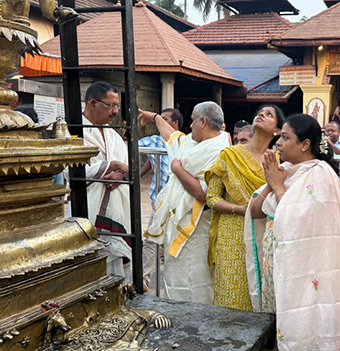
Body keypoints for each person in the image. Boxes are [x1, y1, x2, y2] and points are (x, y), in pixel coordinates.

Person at [245, 114, 340, 351]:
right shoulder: (285, 170)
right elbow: (255, 212)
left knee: (301, 325)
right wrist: (271, 182)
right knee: (279, 326)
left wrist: (277, 187)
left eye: (285, 138)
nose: (278, 143)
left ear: (305, 144)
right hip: (279, 268)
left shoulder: (320, 174)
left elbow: (299, 225)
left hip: (305, 272)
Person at [139, 101, 230, 304]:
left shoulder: (220, 150)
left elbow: (201, 193)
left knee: (197, 281)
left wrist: (177, 169)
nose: (189, 126)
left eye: (192, 121)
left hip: (198, 226)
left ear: (203, 122)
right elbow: (172, 137)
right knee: (175, 276)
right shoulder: (192, 143)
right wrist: (155, 118)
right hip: (178, 223)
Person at [205, 105, 285, 311]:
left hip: (263, 233)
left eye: (269, 115)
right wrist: (241, 210)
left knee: (260, 290)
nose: (261, 115)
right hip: (232, 232)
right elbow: (212, 198)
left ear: (278, 131)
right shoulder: (229, 155)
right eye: (259, 112)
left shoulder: (278, 162)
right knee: (230, 291)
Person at [76, 81, 132, 279]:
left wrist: (121, 175)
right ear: (92, 103)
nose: (115, 111)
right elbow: (74, 171)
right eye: (110, 105)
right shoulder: (75, 131)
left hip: (118, 208)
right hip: (89, 208)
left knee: (116, 267)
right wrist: (113, 165)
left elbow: (127, 167)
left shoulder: (114, 136)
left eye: (117, 106)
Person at [139, 108, 184, 292]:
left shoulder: (182, 142)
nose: (159, 123)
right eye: (160, 118)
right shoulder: (154, 141)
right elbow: (148, 157)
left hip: (178, 201)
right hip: (160, 201)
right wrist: (133, 175)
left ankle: (174, 284)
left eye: (164, 120)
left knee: (173, 239)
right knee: (151, 239)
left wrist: (154, 117)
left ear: (175, 124)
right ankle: (144, 280)